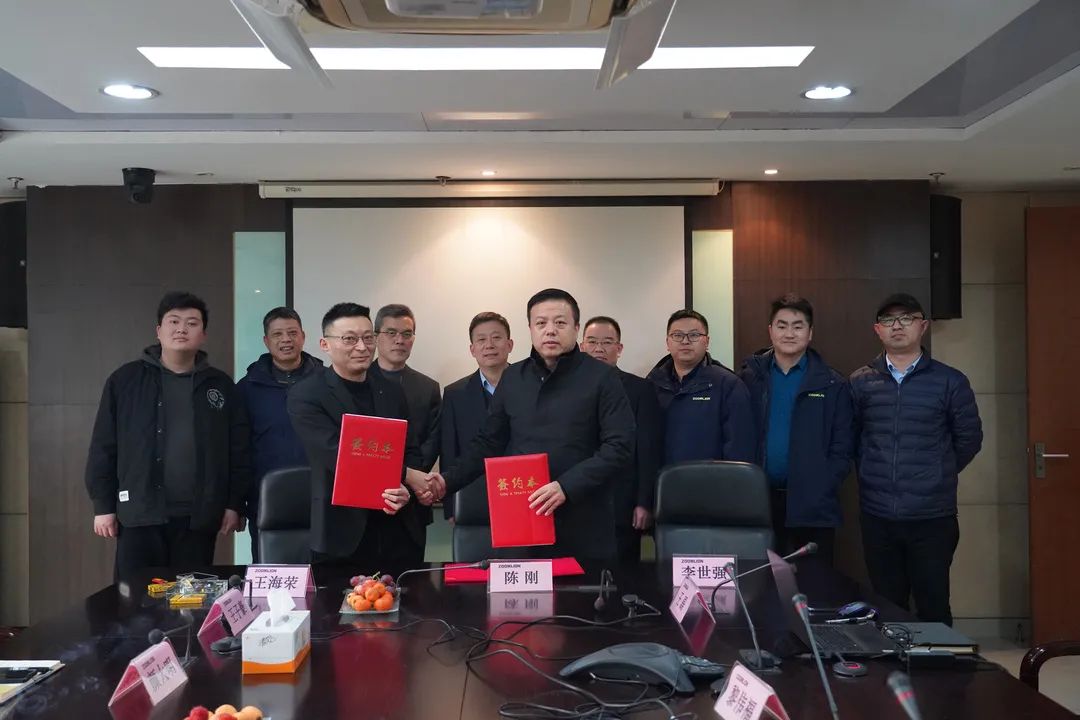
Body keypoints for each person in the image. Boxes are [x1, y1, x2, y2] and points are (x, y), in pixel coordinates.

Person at [412, 289, 634, 564]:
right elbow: (488, 443)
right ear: (530, 328)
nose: (550, 330)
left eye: (560, 323)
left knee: (581, 590)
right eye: (541, 323)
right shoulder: (513, 377)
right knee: (521, 588)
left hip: (584, 518)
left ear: (576, 328)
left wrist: (565, 486)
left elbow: (619, 447)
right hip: (523, 517)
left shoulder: (602, 377)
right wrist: (447, 480)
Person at [85, 291, 250, 578]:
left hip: (198, 517)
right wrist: (103, 506)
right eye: (173, 321)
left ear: (203, 335)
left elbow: (239, 451)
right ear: (159, 331)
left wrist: (234, 504)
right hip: (139, 513)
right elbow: (104, 446)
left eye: (192, 323)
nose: (181, 329)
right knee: (134, 598)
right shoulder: (125, 381)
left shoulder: (220, 385)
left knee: (192, 597)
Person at [850, 293, 982, 625]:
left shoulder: (950, 381)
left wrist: (937, 472)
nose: (897, 326)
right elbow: (851, 439)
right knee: (887, 605)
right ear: (877, 330)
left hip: (932, 517)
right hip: (878, 514)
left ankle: (938, 661)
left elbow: (969, 439)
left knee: (933, 604)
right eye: (888, 320)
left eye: (907, 318)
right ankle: (892, 660)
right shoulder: (860, 381)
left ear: (922, 326)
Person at [286, 302, 421, 576]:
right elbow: (338, 454)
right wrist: (408, 474)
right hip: (340, 535)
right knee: (337, 603)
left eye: (368, 338)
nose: (362, 347)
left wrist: (407, 488)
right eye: (349, 339)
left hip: (395, 529)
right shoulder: (307, 394)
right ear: (325, 344)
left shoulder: (391, 390)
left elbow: (410, 447)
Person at [738, 295, 854, 563]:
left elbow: (843, 446)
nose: (789, 333)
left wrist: (823, 485)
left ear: (810, 333)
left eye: (798, 326)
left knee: (814, 581)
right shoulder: (749, 378)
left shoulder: (832, 383)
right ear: (770, 331)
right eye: (782, 325)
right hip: (759, 503)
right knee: (761, 582)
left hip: (813, 505)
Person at [236, 307, 321, 562]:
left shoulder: (326, 382)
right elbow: (238, 449)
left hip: (319, 498)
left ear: (303, 337)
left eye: (292, 333)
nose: (286, 340)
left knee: (323, 574)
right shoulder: (246, 388)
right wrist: (237, 503)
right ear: (266, 341)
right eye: (277, 334)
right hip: (265, 499)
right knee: (270, 571)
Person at [581, 316, 663, 566]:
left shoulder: (640, 389)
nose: (599, 348)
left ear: (619, 348)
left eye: (607, 342)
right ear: (581, 346)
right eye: (592, 342)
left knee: (624, 575)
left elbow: (647, 449)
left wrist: (644, 502)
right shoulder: (564, 389)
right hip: (577, 502)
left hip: (622, 502)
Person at [369, 304, 441, 566]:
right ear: (376, 337)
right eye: (391, 332)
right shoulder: (359, 381)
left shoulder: (427, 387)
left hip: (413, 500)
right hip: (367, 500)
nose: (399, 340)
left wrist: (413, 481)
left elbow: (433, 440)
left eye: (407, 334)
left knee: (410, 579)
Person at [647, 309, 755, 464]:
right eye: (677, 335)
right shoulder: (652, 383)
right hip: (663, 477)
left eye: (694, 335)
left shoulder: (728, 384)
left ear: (707, 341)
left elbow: (740, 447)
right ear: (667, 343)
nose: (685, 341)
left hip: (710, 477)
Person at [440, 312, 514, 521]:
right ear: (472, 349)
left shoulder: (531, 386)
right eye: (481, 339)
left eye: (496, 337)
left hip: (521, 490)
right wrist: (450, 506)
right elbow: (449, 451)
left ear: (509, 345)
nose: (489, 345)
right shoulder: (455, 394)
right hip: (472, 494)